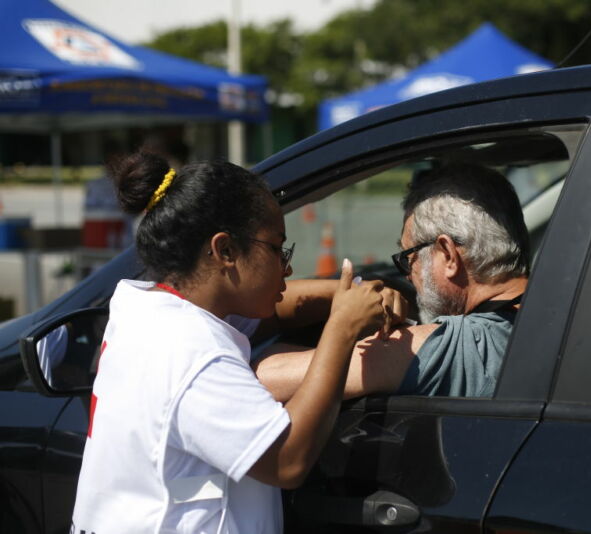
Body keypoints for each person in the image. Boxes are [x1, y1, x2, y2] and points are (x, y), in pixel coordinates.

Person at [70, 152, 388, 534]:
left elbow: (269, 310)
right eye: (276, 248)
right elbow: (286, 460)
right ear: (225, 251)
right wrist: (342, 328)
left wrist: (337, 295)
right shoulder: (190, 350)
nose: (286, 267)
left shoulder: (149, 310)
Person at [256, 163, 530, 399]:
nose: (407, 275)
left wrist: (344, 320)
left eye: (408, 256)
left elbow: (264, 376)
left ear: (447, 255)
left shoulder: (450, 348)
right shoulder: (557, 311)